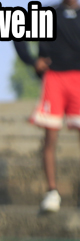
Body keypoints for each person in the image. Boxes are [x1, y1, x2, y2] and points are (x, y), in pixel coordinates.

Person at [26, 0, 80, 212]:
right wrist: (31, 60)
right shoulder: (48, 13)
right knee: (50, 137)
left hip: (78, 80)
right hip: (54, 79)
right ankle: (52, 192)